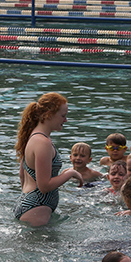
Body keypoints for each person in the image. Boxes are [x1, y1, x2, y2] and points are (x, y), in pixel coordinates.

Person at [14, 92, 83, 226]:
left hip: (30, 206)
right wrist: (70, 173)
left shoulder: (33, 137)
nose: (66, 120)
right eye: (63, 116)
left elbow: (22, 174)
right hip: (36, 210)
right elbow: (44, 186)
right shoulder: (42, 142)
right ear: (49, 114)